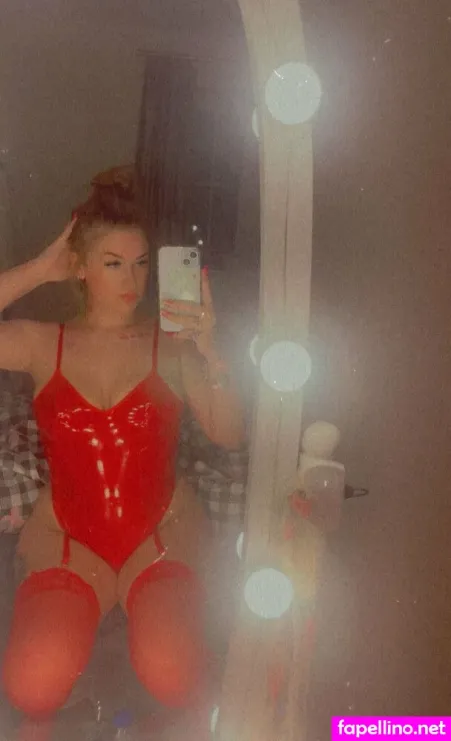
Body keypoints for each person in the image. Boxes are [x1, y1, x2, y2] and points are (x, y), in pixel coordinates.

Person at [0, 178, 245, 732]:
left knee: (177, 677)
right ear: (80, 268)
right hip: (68, 535)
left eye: (140, 263)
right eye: (112, 263)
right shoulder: (43, 342)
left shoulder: (172, 343)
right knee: (31, 688)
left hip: (160, 530)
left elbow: (229, 434)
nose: (132, 280)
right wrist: (38, 270)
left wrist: (213, 354)